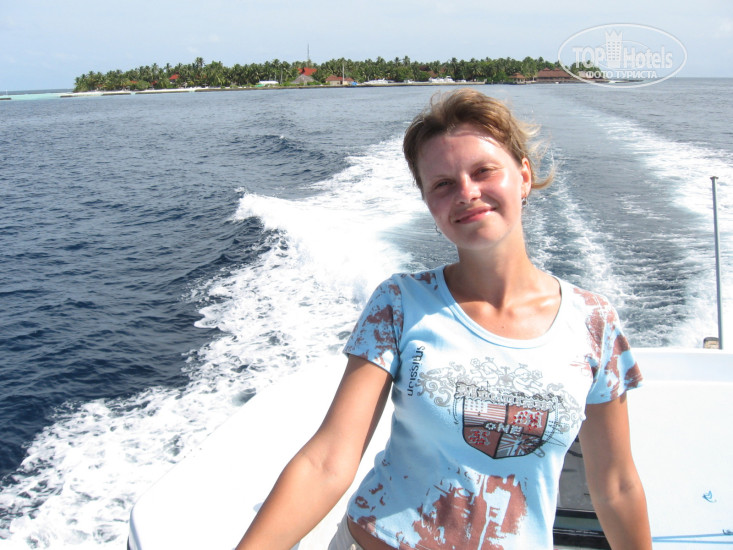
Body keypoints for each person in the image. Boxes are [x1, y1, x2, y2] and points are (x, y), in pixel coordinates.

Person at [235, 88, 651, 550]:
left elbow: (616, 486)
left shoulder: (594, 322)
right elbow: (327, 462)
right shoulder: (399, 303)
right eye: (443, 184)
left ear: (523, 176)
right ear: (429, 204)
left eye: (484, 171)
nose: (466, 193)